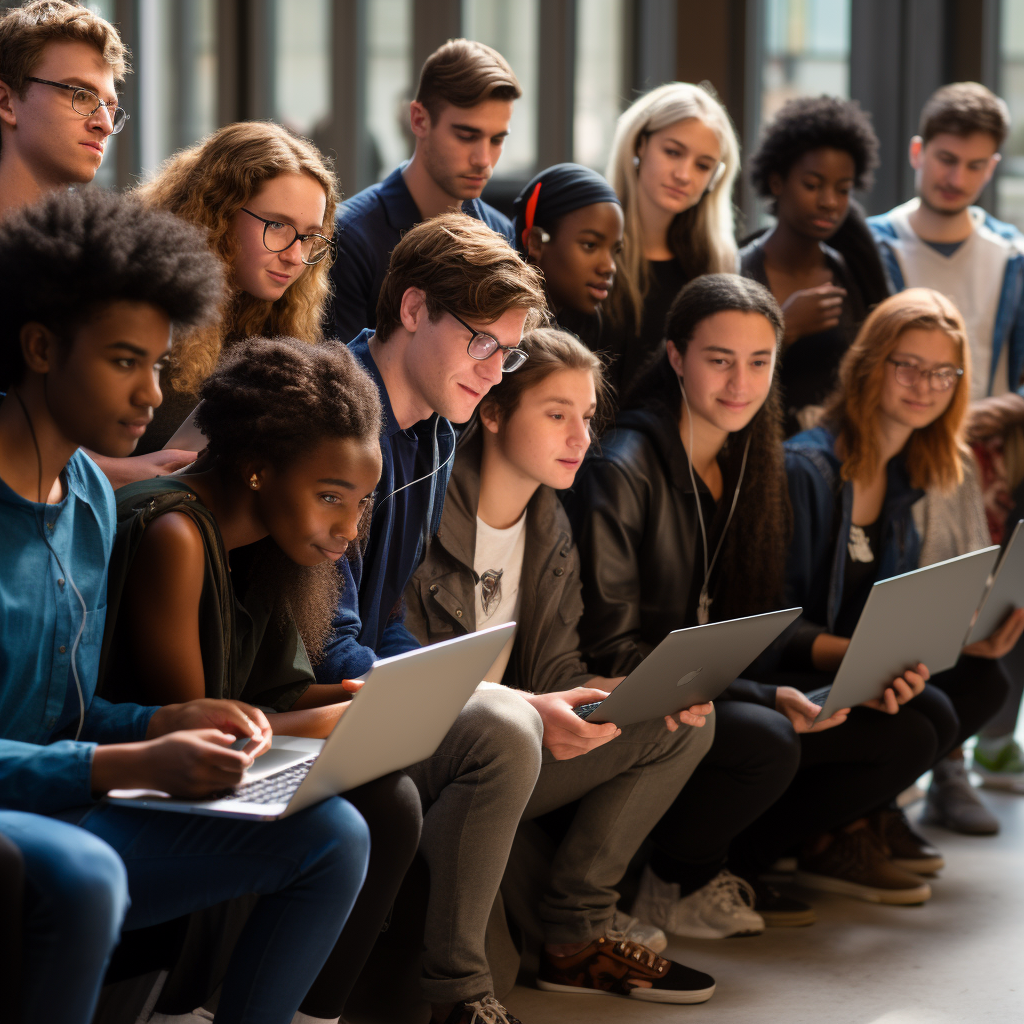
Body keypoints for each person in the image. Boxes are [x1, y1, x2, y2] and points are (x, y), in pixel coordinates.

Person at [310, 215, 715, 1022]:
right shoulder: (338, 411)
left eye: (507, 351)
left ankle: (568, 929)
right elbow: (328, 648)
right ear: (415, 308)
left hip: (380, 696)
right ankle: (464, 996)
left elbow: (383, 624)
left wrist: (546, 697)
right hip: (308, 709)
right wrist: (511, 703)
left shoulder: (432, 433)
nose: (493, 372)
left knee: (654, 720)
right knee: (502, 729)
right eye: (482, 344)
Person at [0, 187, 370, 1024]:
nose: (149, 394)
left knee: (333, 835)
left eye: (160, 366)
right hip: (35, 804)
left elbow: (70, 712)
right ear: (40, 347)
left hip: (71, 794)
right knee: (86, 881)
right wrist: (123, 762)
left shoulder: (88, 494)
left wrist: (166, 724)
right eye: (125, 361)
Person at [565, 274, 945, 920]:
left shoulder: (747, 460)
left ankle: (741, 862)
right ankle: (671, 882)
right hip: (631, 696)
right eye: (719, 361)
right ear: (678, 358)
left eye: (759, 362)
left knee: (908, 723)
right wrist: (766, 694)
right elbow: (619, 653)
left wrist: (856, 663)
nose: (740, 383)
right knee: (770, 736)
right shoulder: (623, 468)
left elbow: (754, 621)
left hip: (708, 684)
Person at [404, 325, 718, 1003]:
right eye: (556, 415)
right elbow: (406, 689)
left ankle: (579, 931)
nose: (581, 438)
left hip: (515, 743)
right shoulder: (424, 509)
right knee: (487, 966)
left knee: (683, 720)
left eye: (586, 417)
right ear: (492, 413)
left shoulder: (551, 530)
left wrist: (632, 692)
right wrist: (529, 708)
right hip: (434, 758)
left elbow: (554, 680)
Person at [777, 289, 1020, 843]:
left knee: (980, 683)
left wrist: (960, 634)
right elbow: (775, 624)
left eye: (942, 373)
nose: (925, 386)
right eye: (908, 367)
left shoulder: (909, 475)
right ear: (870, 365)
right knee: (922, 719)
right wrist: (871, 660)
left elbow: (886, 612)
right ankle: (805, 843)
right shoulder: (807, 467)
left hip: (853, 658)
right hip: (795, 667)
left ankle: (862, 819)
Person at [868, 82, 1024, 793]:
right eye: (946, 159)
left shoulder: (1010, 254)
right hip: (901, 448)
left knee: (985, 607)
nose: (956, 177)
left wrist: (1005, 406)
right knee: (914, 597)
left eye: (975, 165)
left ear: (992, 169)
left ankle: (958, 757)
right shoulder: (878, 243)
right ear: (918, 153)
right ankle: (916, 762)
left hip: (987, 456)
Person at [124, 121, 340, 462]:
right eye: (277, 226)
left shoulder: (274, 316)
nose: (294, 256)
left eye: (310, 236)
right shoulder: (132, 304)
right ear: (217, 213)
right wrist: (130, 475)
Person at [330, 38, 519, 342]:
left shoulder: (500, 232)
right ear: (418, 120)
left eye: (496, 140)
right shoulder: (351, 236)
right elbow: (339, 379)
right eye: (466, 135)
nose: (483, 160)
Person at [739, 95, 885, 435]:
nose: (829, 202)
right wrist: (784, 329)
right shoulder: (739, 270)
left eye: (843, 189)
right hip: (758, 453)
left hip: (837, 460)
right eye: (812, 185)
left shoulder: (853, 273)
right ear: (777, 183)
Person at [601, 82, 740, 398]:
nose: (684, 174)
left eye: (703, 165)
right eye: (673, 152)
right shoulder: (587, 247)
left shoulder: (718, 265)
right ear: (640, 144)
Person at [0, 0, 127, 220]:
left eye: (110, 107)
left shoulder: (105, 246)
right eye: (82, 96)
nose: (105, 125)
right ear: (5, 103)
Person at [511, 162, 623, 358]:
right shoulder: (506, 336)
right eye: (590, 245)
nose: (609, 267)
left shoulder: (594, 326)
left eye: (615, 250)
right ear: (536, 242)